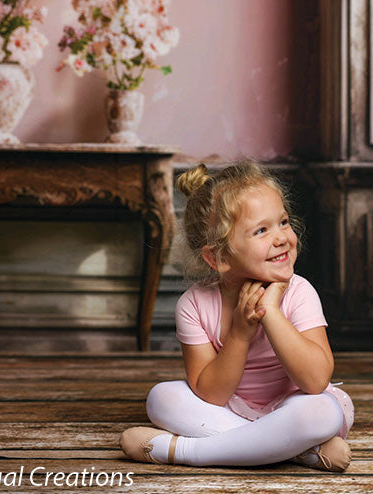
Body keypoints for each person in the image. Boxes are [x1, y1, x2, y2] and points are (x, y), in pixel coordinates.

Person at [119, 161, 354, 471]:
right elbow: (211, 395)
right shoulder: (194, 305)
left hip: (295, 405)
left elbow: (314, 381)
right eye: (261, 230)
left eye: (283, 222)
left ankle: (183, 451)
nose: (282, 236)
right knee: (161, 398)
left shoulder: (299, 292)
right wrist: (240, 334)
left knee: (322, 412)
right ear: (219, 257)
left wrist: (270, 313)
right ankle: (298, 451)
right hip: (229, 409)